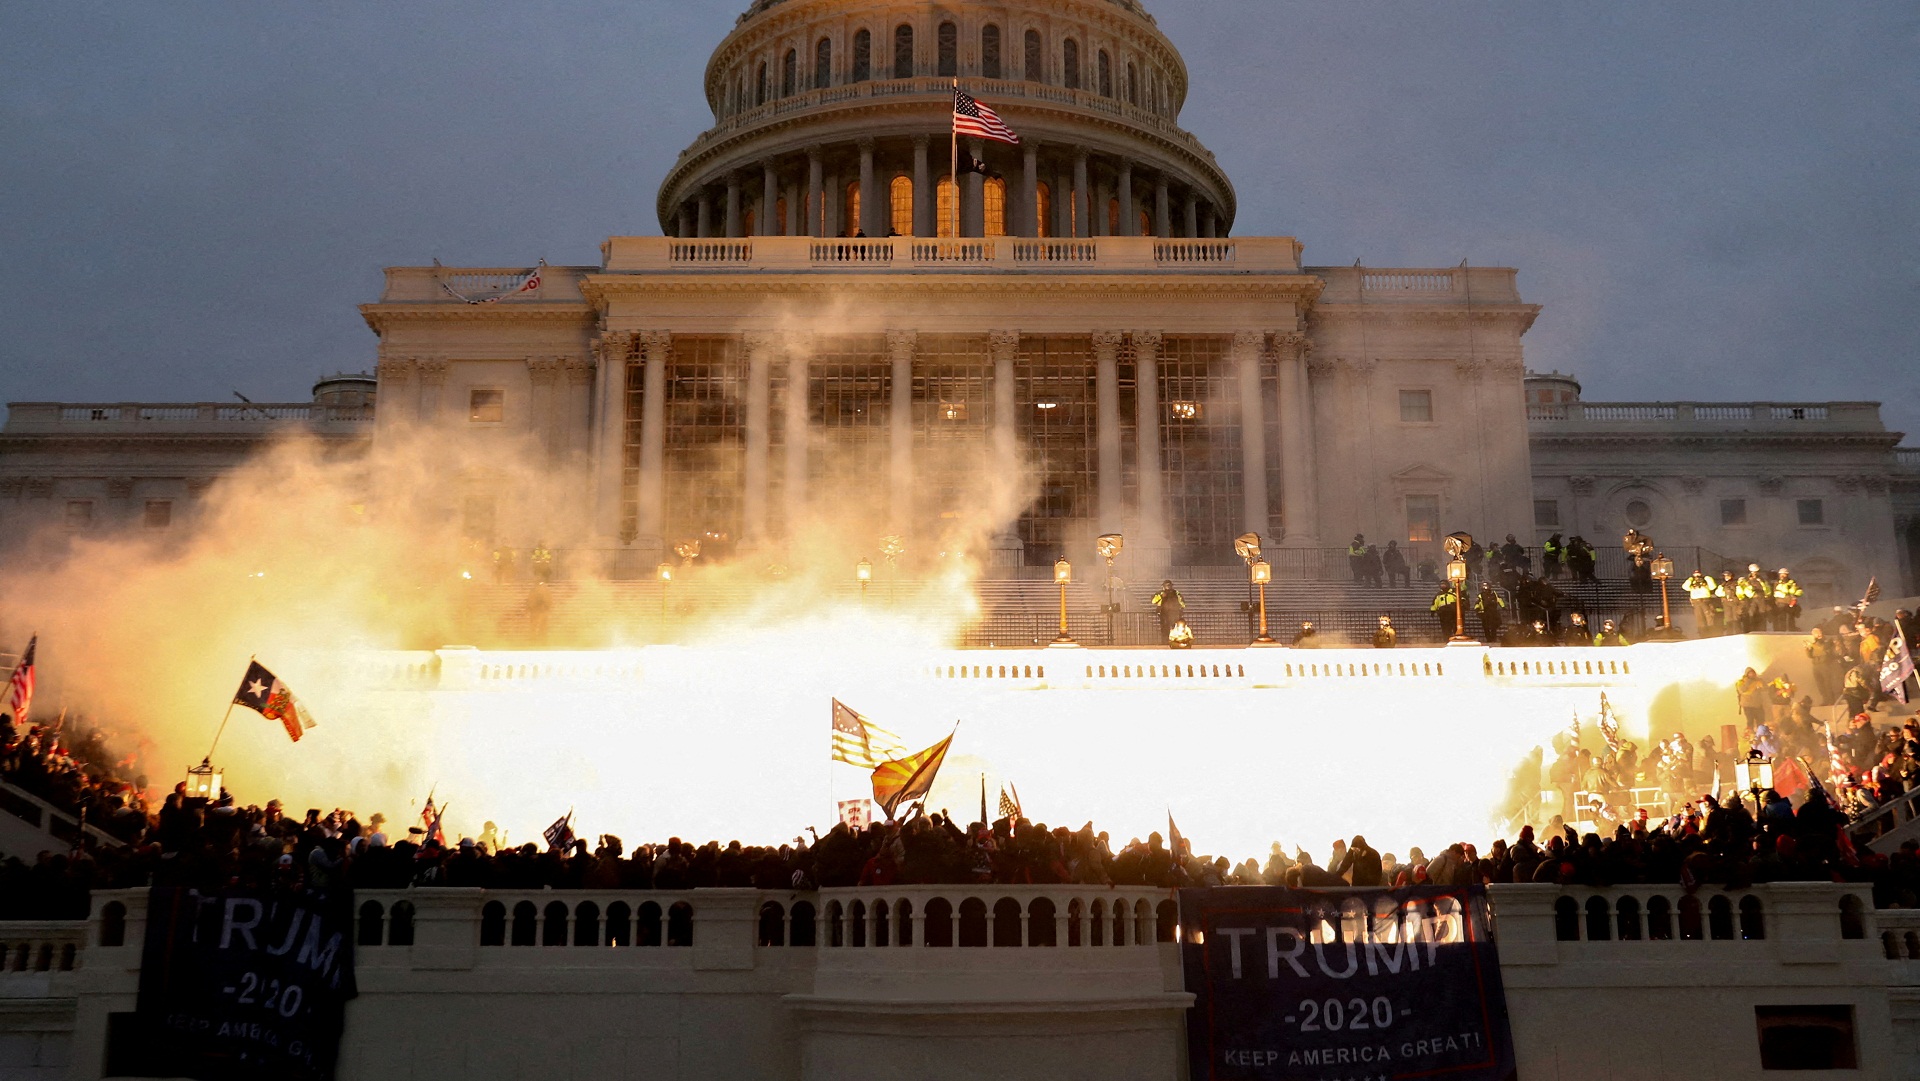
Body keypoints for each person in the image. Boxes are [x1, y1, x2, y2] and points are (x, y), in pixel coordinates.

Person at [1683, 569, 1720, 636]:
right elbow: (1685, 587)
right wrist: (1690, 579)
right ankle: (1702, 634)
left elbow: (1713, 587)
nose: (1697, 575)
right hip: (1696, 602)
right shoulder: (1692, 582)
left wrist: (1707, 578)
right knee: (1699, 618)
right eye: (1695, 574)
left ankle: (1712, 632)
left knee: (1709, 617)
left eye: (1698, 574)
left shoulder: (1705, 580)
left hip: (1705, 601)